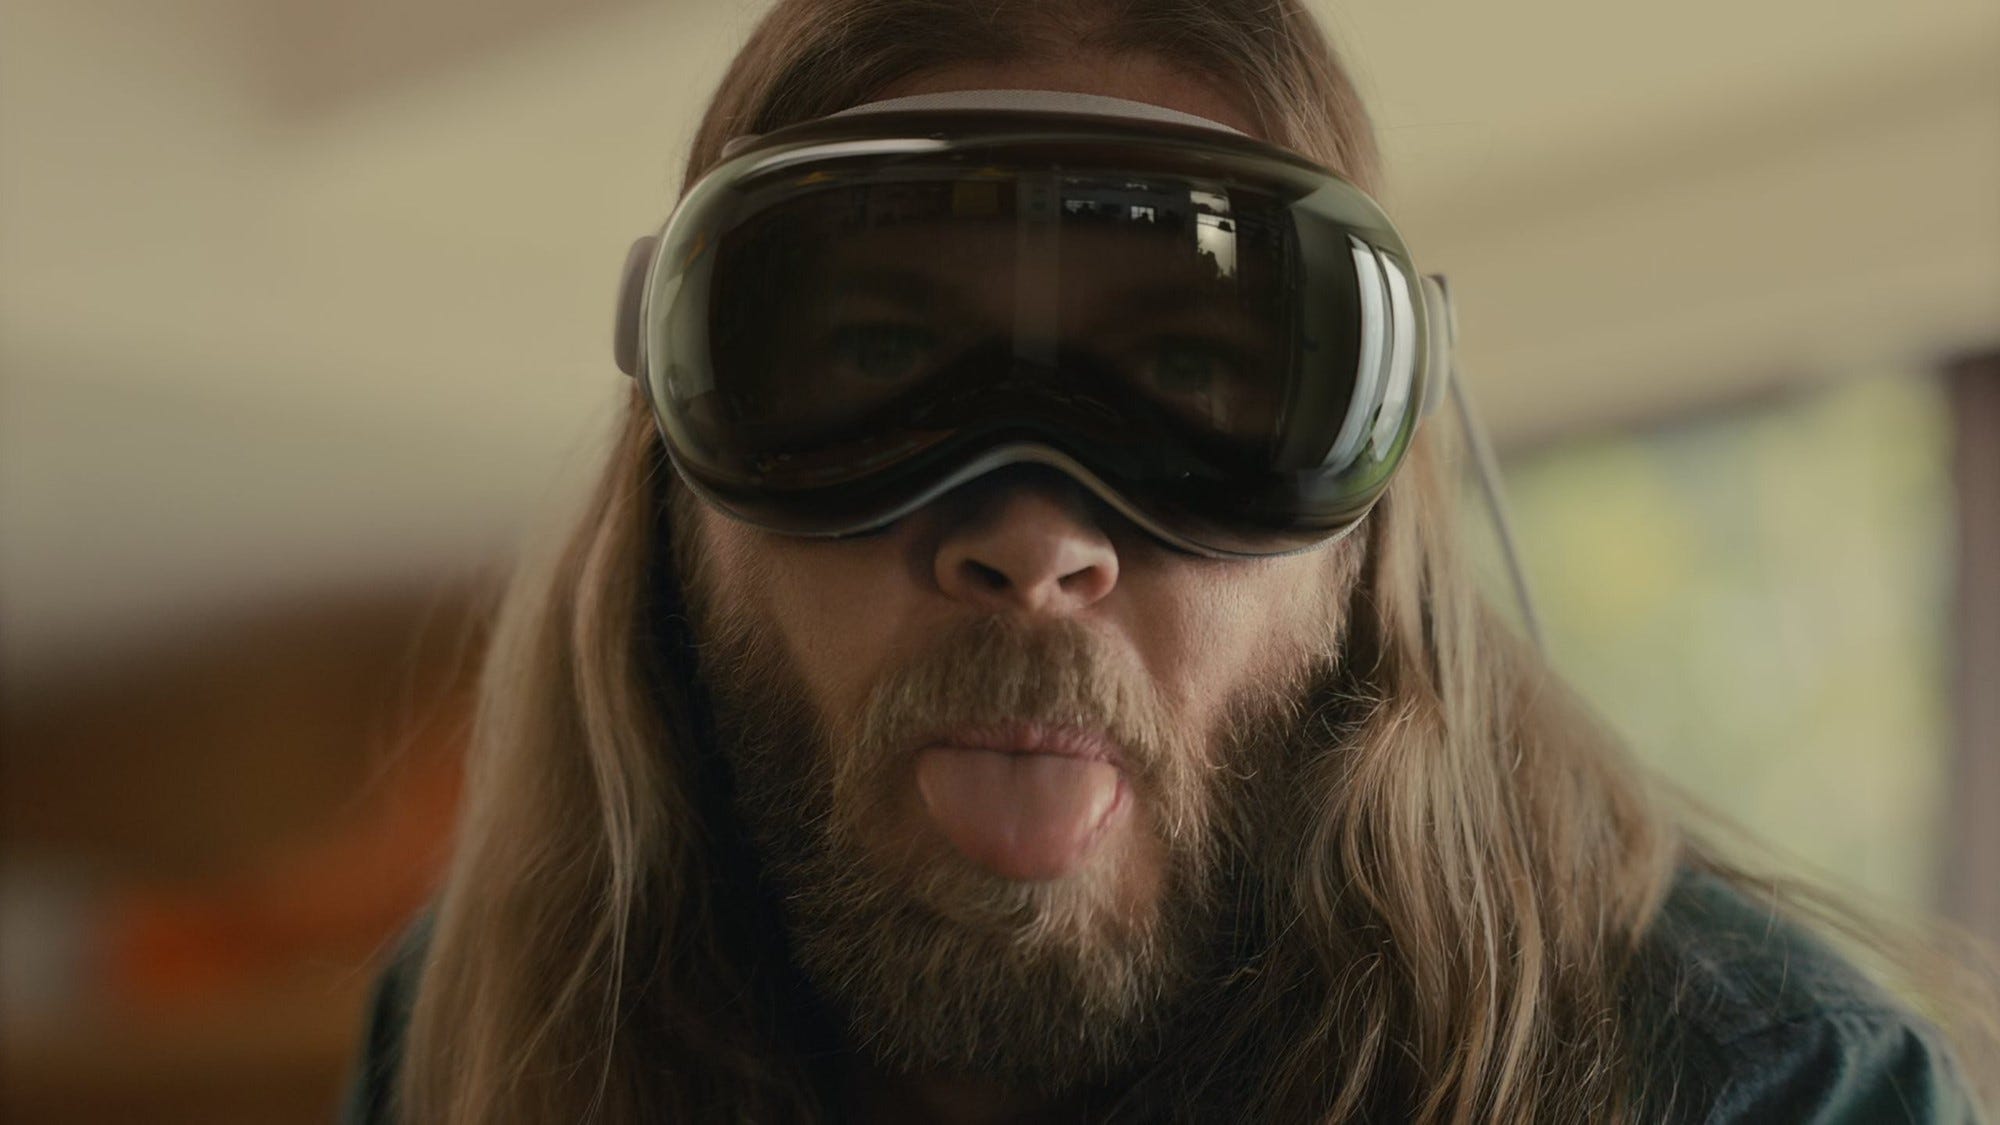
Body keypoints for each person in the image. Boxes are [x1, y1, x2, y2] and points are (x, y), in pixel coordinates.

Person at [340, 1, 1996, 1122]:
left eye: (1191, 380)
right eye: (876, 360)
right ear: (677, 467)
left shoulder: (1755, 1091)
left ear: (1372, 526)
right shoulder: (485, 1029)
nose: (1035, 540)